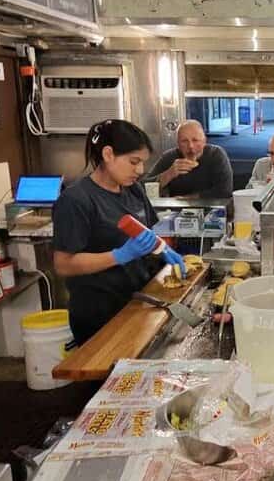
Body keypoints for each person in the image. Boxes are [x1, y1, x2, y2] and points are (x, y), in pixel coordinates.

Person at [53, 120, 186, 346]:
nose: (140, 170)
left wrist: (161, 249)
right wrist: (118, 255)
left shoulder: (132, 189)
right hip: (100, 312)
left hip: (137, 301)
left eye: (143, 163)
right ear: (108, 154)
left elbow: (147, 232)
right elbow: (64, 264)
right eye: (134, 162)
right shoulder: (77, 200)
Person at [148, 120, 233, 197]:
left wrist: (188, 199)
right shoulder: (169, 157)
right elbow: (142, 187)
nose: (190, 146)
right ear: (178, 143)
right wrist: (168, 174)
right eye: (184, 141)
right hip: (177, 211)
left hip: (212, 209)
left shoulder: (216, 154)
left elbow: (225, 191)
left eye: (195, 140)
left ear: (204, 141)